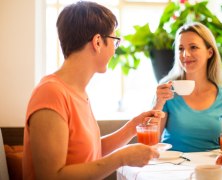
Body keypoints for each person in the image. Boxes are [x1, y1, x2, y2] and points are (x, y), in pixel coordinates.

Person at [22, 2, 164, 180]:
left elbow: (91, 151)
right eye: (115, 41)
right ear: (97, 42)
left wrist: (132, 127)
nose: (114, 49)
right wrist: (122, 158)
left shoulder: (77, 92)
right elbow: (51, 176)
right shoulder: (51, 93)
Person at [153, 22, 222, 153]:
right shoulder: (167, 91)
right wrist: (158, 104)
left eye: (193, 47)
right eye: (180, 48)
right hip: (174, 167)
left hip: (211, 168)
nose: (185, 54)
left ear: (210, 52)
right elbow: (151, 143)